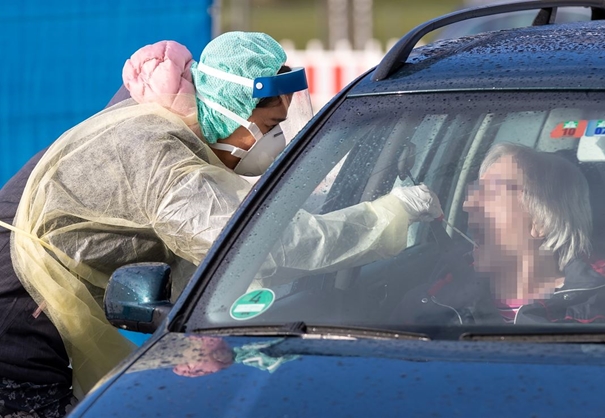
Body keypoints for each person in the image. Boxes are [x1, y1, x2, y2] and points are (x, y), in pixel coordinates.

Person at [3, 31, 442, 412]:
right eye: (270, 124)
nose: (275, 140)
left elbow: (203, 246)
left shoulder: (178, 119)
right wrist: (391, 215)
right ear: (230, 109)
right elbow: (261, 244)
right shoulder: (160, 157)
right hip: (15, 312)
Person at [391, 142, 605, 327]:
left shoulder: (599, 304)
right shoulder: (436, 296)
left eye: (491, 195)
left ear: (541, 222)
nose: (468, 204)